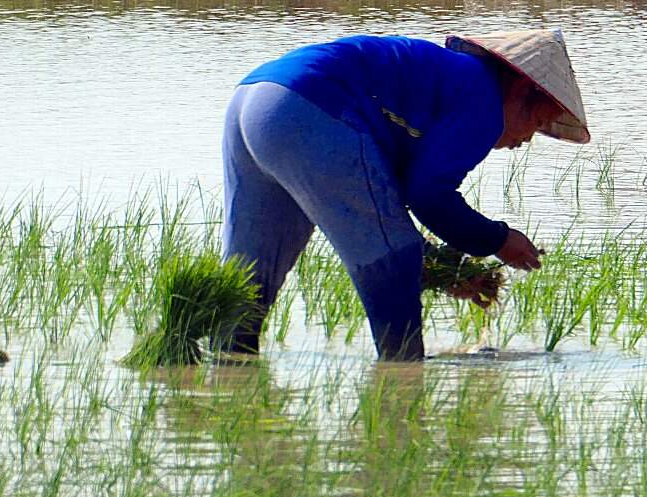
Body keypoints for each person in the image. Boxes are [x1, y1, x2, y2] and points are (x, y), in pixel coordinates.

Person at [221, 30, 590, 360]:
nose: (526, 140)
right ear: (520, 90)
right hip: (313, 106)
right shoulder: (485, 100)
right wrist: (497, 238)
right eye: (537, 123)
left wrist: (451, 273)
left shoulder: (448, 81)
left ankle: (210, 374)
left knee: (247, 280)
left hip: (254, 100)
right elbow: (429, 197)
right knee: (393, 264)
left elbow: (382, 213)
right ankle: (402, 382)